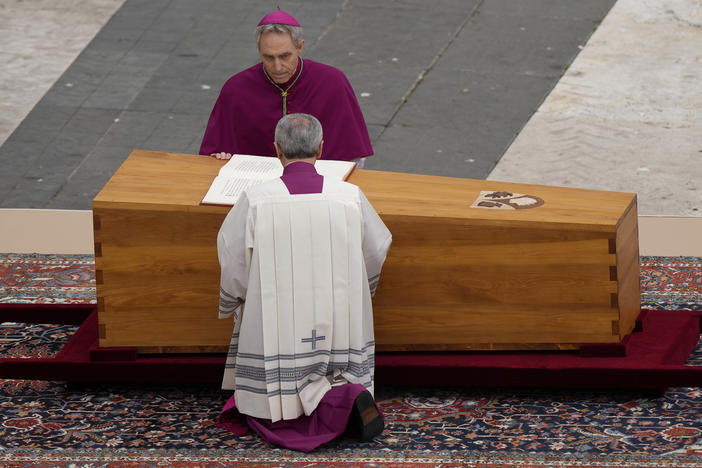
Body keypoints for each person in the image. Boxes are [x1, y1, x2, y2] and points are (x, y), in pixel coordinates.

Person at [215, 113, 392, 451]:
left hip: (276, 318)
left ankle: (289, 407)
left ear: (277, 150)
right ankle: (343, 397)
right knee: (339, 365)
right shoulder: (349, 196)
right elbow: (378, 246)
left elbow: (233, 258)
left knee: (266, 357)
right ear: (321, 149)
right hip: (339, 311)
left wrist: (236, 300)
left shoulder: (256, 199)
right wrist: (360, 287)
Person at [200, 9, 373, 166]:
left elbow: (354, 157)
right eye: (268, 57)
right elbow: (212, 156)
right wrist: (219, 158)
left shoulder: (333, 82)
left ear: (300, 47)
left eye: (284, 56)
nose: (277, 67)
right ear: (259, 50)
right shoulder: (236, 89)